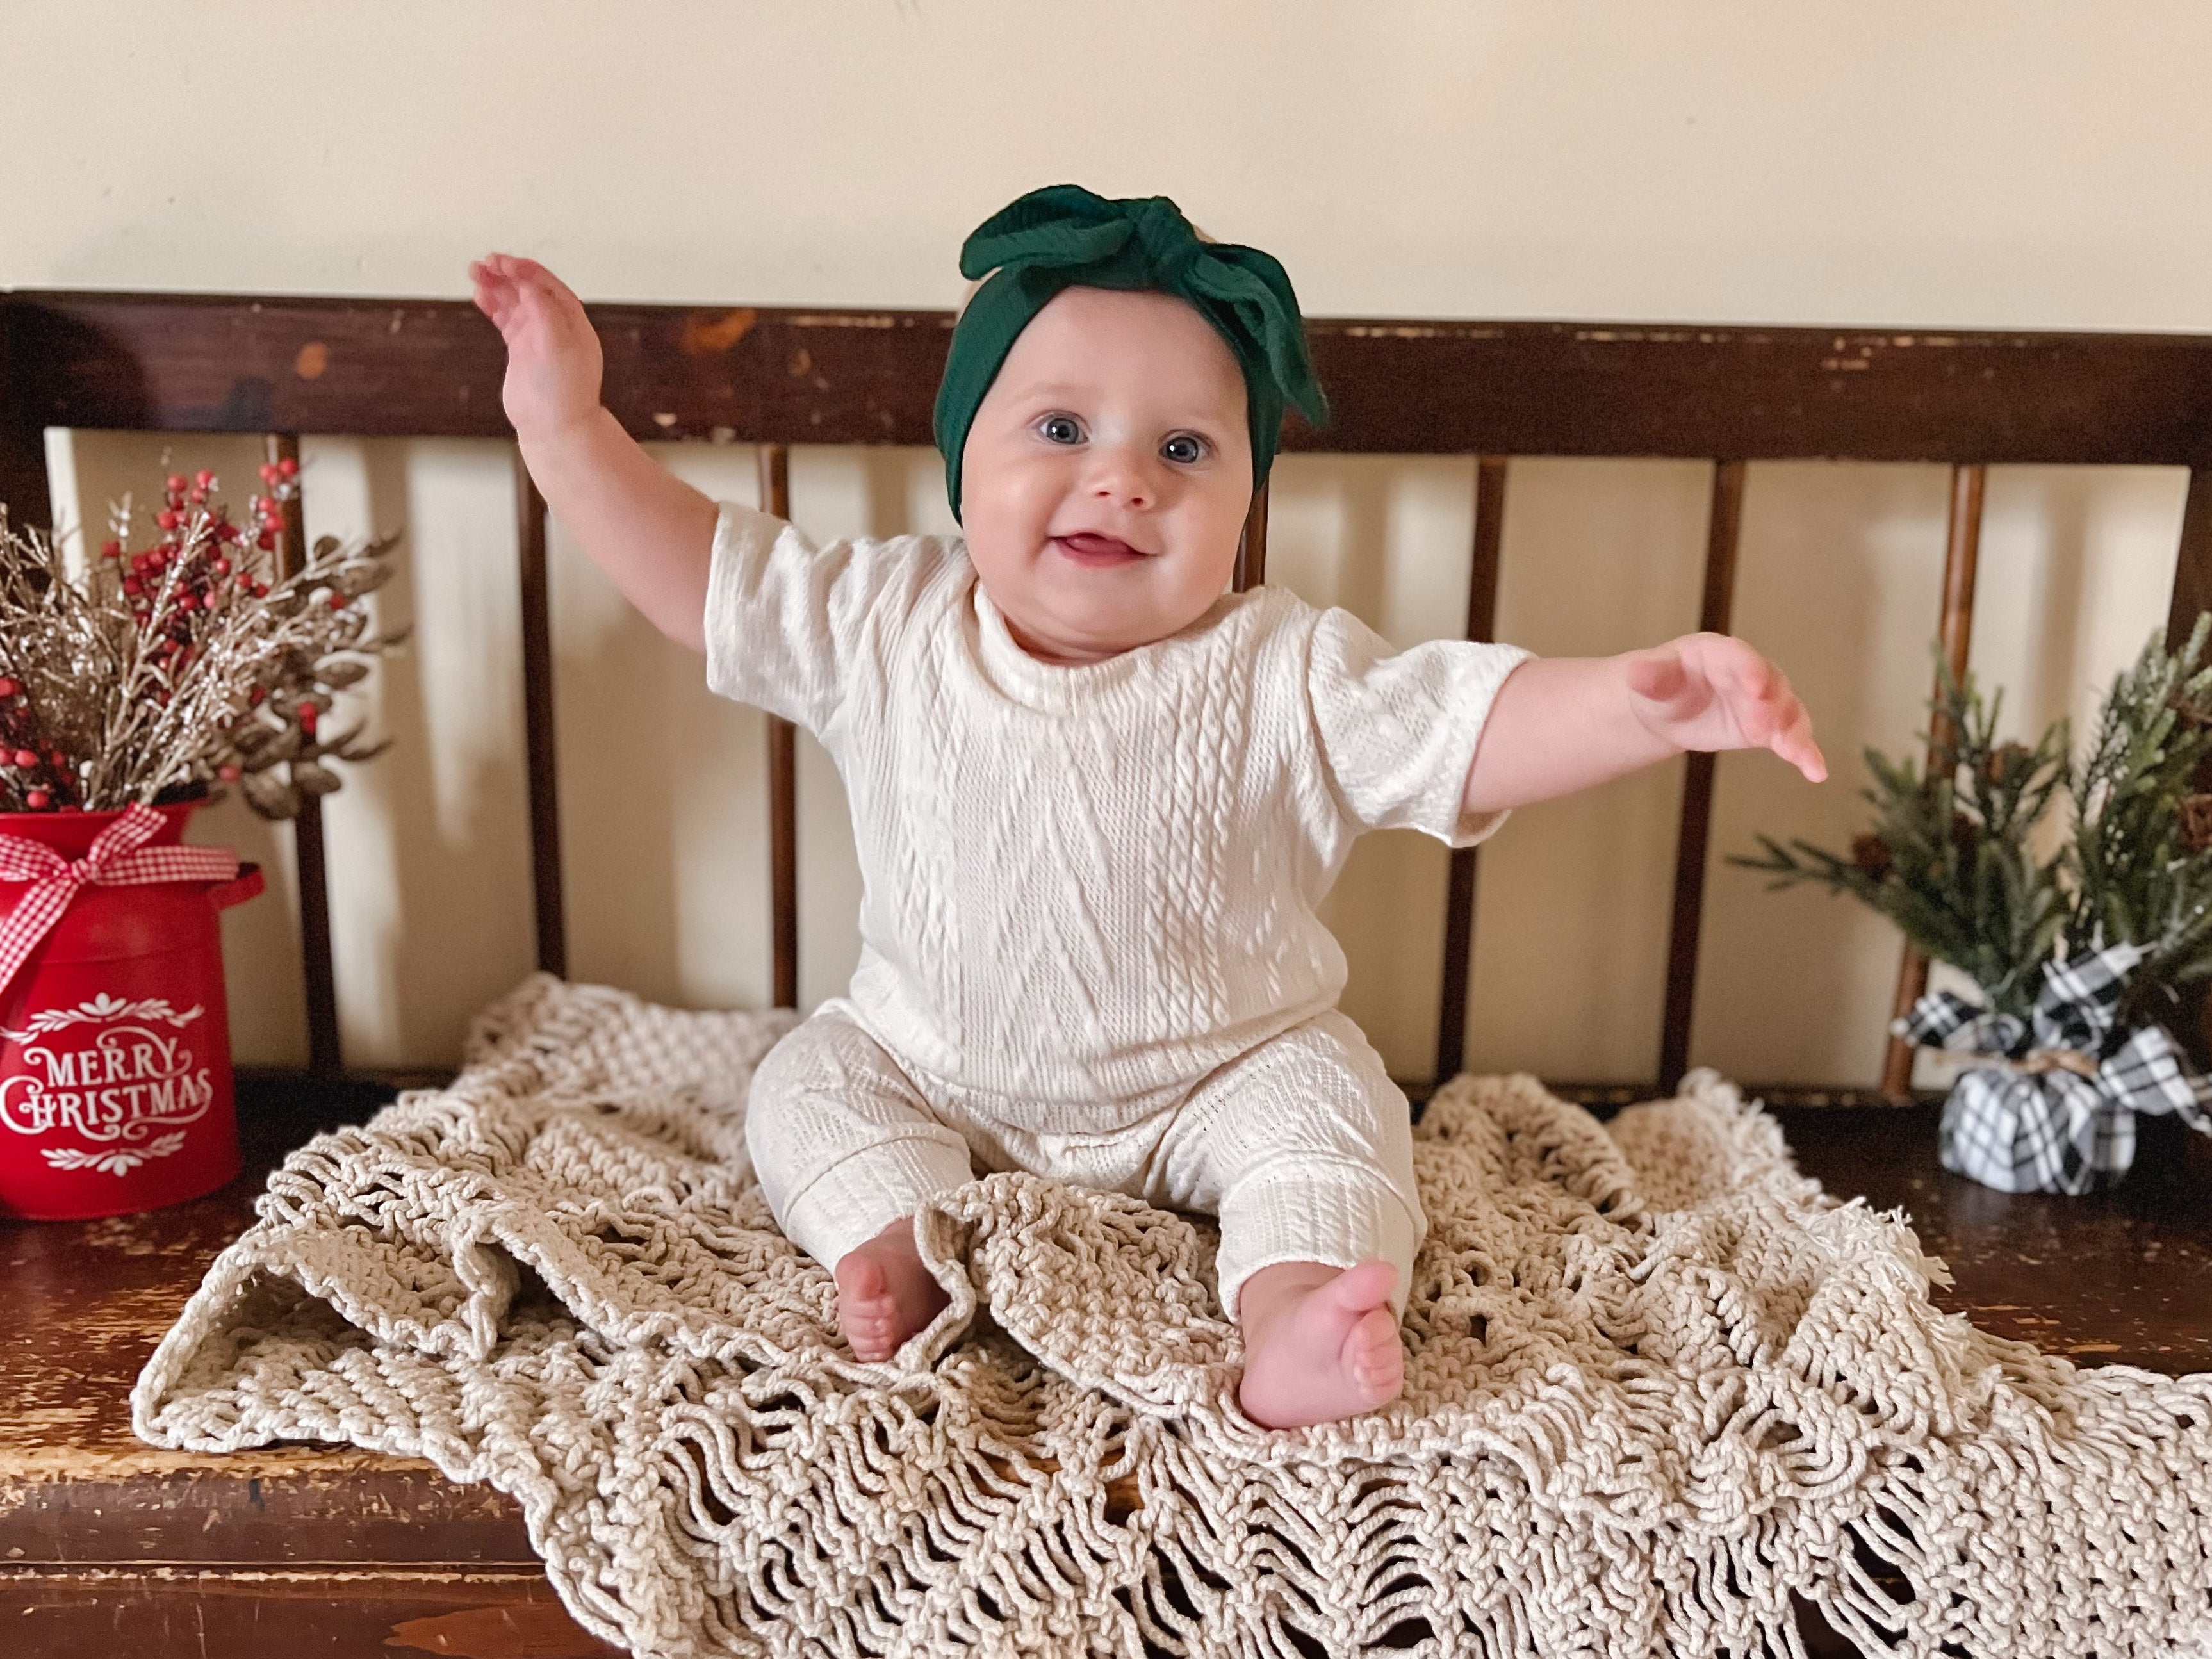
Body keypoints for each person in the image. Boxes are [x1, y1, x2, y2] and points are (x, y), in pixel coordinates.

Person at [468, 184, 1824, 1430]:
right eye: (1060, 428)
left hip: (1221, 1075)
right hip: (926, 1058)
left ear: (1242, 504)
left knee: (1340, 1107)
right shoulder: (881, 618)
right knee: (804, 1083)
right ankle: (895, 1236)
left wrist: (1637, 707)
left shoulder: (1281, 665)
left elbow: (1464, 727)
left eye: (1183, 446)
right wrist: (565, 426)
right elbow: (699, 572)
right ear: (964, 458)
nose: (1122, 478)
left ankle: (1293, 1310)